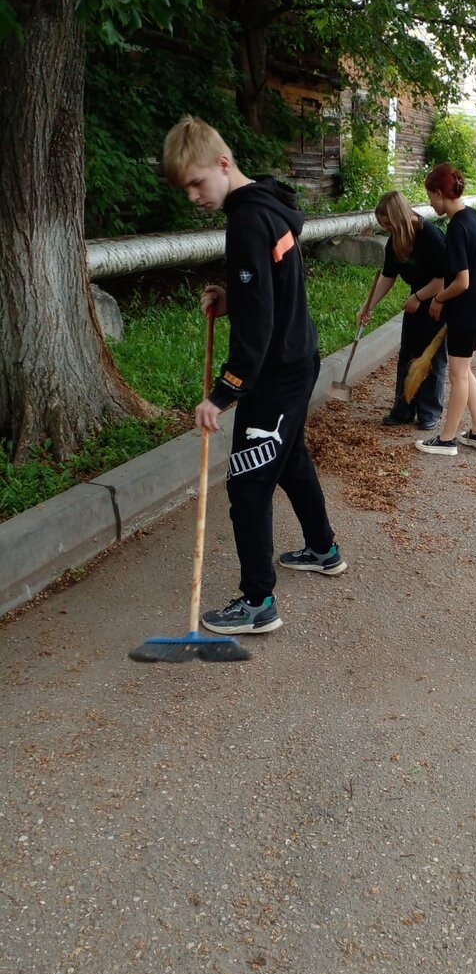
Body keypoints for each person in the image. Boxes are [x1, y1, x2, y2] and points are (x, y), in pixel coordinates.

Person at [162, 115, 346, 637]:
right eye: (186, 189)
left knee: (246, 483)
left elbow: (259, 327)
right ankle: (323, 548)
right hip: (297, 359)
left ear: (223, 164)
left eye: (197, 182)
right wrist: (232, 297)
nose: (194, 195)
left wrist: (221, 395)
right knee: (288, 461)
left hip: (274, 373)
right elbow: (268, 289)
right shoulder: (268, 204)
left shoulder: (245, 222)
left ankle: (258, 600)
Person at [415, 163, 476, 457]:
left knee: (458, 374)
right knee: (465, 370)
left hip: (468, 311)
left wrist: (438, 300)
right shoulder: (473, 217)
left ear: (439, 193)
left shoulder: (457, 228)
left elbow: (462, 282)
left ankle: (447, 439)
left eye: (429, 196)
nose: (429, 202)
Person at [358, 191, 447, 430]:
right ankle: (404, 408)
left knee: (431, 355)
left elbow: (443, 278)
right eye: (382, 225)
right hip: (417, 296)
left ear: (398, 217)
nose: (385, 228)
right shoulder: (395, 240)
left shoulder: (429, 235)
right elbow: (388, 276)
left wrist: (419, 297)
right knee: (408, 352)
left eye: (388, 223)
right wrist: (368, 306)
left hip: (439, 298)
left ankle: (429, 412)